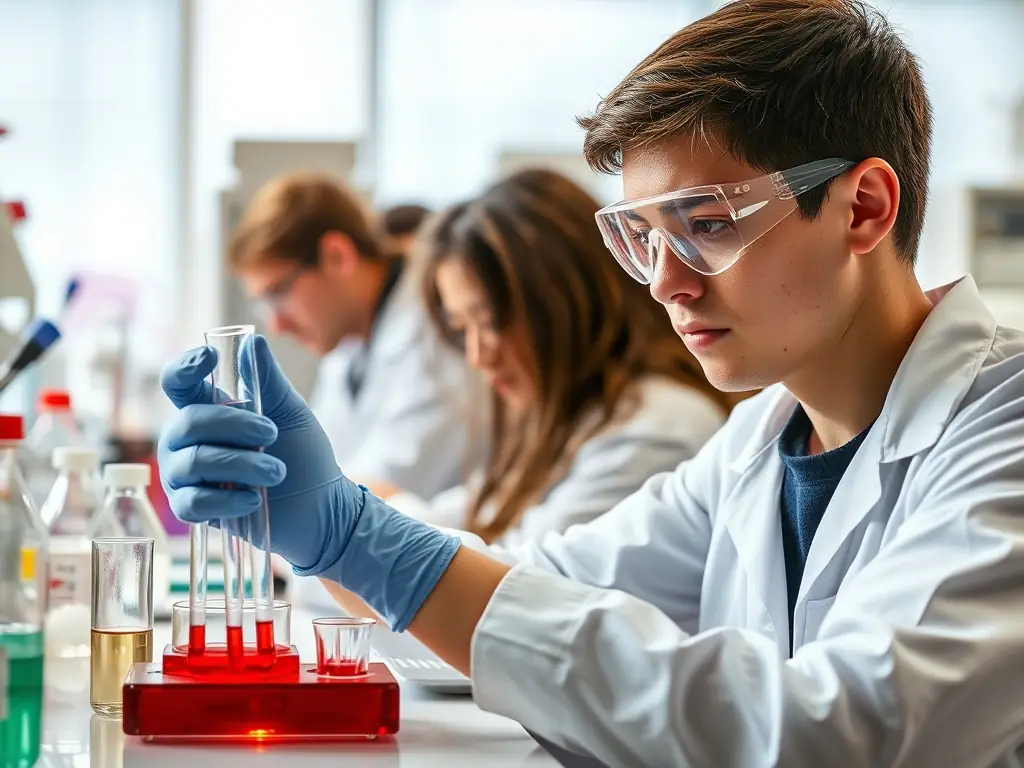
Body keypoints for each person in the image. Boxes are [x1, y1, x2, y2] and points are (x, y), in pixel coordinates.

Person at [158, 2, 1024, 766]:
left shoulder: (1004, 428)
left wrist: (363, 540)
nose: (665, 283)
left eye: (708, 225)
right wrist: (333, 527)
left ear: (864, 207)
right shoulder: (760, 442)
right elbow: (548, 582)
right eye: (643, 237)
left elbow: (842, 734)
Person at [368, 169, 732, 549]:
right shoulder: (563, 419)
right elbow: (476, 514)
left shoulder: (658, 427)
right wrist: (385, 507)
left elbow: (520, 583)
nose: (478, 357)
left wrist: (386, 513)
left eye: (492, 322)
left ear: (567, 300)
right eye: (462, 330)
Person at [227, 172, 487, 498]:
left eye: (278, 294)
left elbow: (376, 496)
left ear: (337, 256)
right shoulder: (348, 345)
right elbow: (320, 468)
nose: (277, 326)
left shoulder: (437, 334)